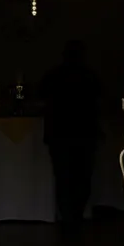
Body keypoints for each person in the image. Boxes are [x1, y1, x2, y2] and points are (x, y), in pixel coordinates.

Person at [40, 40, 101, 233]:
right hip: (82, 135)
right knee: (81, 177)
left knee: (65, 177)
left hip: (63, 135)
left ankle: (69, 217)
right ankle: (75, 215)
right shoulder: (89, 77)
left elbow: (42, 97)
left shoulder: (55, 76)